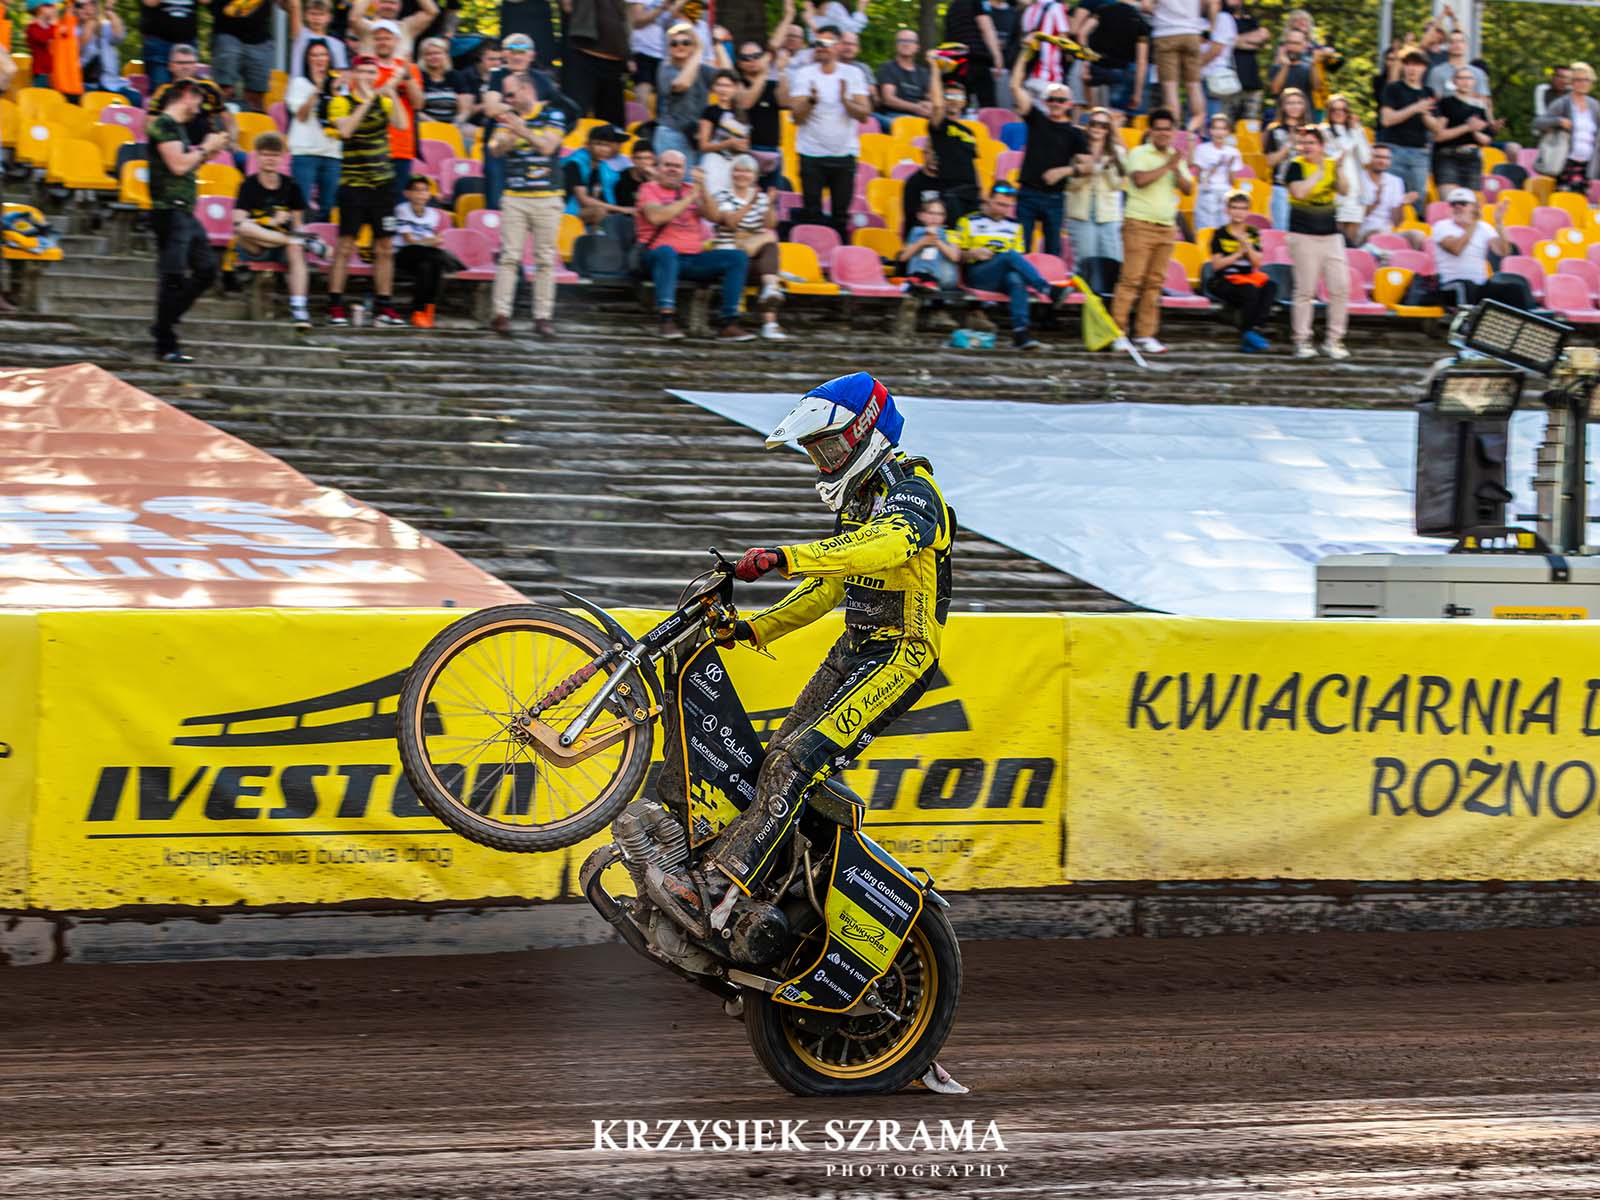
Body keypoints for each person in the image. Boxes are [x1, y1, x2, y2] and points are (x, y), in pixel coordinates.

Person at [638, 372, 954, 943]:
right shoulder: (858, 504)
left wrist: (786, 555)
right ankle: (770, 888)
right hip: (853, 649)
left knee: (794, 762)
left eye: (828, 448)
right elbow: (829, 588)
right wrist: (752, 628)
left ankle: (719, 890)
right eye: (815, 452)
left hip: (901, 654)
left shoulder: (913, 490)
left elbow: (885, 545)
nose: (822, 463)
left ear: (865, 433)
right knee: (771, 764)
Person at [325, 54, 410, 327]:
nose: (366, 77)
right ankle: (335, 305)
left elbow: (402, 124)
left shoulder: (383, 101)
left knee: (385, 247)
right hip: (353, 185)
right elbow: (346, 131)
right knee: (345, 245)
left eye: (371, 72)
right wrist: (368, 100)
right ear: (353, 75)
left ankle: (385, 306)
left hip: (383, 185)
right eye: (361, 72)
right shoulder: (341, 102)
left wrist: (392, 92)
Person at [635, 149, 754, 341]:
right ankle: (666, 319)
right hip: (657, 257)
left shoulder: (691, 188)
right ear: (658, 168)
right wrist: (690, 198)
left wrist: (702, 187)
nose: (672, 170)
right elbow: (656, 217)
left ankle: (730, 323)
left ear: (684, 170)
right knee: (667, 252)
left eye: (677, 166)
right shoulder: (649, 188)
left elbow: (715, 217)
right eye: (668, 165)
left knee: (737, 257)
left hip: (692, 258)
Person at [147, 79, 228, 362]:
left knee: (207, 269)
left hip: (183, 211)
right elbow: (178, 165)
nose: (201, 106)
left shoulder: (177, 128)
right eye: (199, 99)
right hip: (168, 211)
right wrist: (205, 148)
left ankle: (163, 323)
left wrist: (206, 153)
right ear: (185, 95)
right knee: (173, 276)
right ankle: (165, 340)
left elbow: (185, 164)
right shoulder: (164, 124)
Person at [488, 70, 568, 339]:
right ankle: (501, 314)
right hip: (515, 196)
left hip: (547, 196)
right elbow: (495, 148)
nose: (507, 99)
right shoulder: (507, 118)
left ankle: (543, 316)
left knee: (545, 259)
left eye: (511, 94)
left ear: (527, 90)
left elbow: (547, 147)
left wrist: (521, 130)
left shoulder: (554, 115)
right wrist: (507, 137)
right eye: (505, 95)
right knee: (509, 256)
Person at [1111, 107, 1191, 356]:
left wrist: (1175, 168)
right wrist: (1168, 166)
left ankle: (1145, 334)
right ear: (1151, 131)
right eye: (1159, 129)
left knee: (1154, 283)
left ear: (1173, 131)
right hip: (1139, 223)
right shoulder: (1140, 153)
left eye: (1168, 129)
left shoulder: (1176, 157)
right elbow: (1139, 180)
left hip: (1166, 227)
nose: (1163, 133)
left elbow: (1188, 189)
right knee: (1131, 280)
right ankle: (1117, 333)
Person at [782, 28, 871, 241]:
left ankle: (839, 254)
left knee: (841, 216)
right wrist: (811, 101)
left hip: (844, 154)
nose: (821, 47)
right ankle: (813, 254)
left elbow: (864, 115)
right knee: (812, 213)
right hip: (810, 153)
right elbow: (796, 117)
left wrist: (845, 100)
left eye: (827, 42)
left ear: (839, 46)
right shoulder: (805, 74)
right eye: (817, 42)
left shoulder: (853, 74)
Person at [1010, 37, 1088, 258]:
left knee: (1053, 253)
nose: (1056, 103)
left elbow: (1089, 165)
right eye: (1052, 99)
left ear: (1069, 105)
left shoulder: (1075, 133)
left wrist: (1065, 171)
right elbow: (1014, 86)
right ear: (1045, 102)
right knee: (1021, 251)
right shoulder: (1037, 118)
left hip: (1054, 197)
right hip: (1027, 193)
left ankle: (1049, 281)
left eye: (1061, 100)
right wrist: (1025, 52)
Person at [232, 132, 318, 330]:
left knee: (295, 248)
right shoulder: (248, 185)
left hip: (281, 247)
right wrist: (271, 221)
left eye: (274, 155)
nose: (270, 159)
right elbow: (239, 221)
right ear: (257, 156)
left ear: (282, 157)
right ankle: (292, 240)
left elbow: (298, 224)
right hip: (256, 245)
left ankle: (299, 308)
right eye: (265, 154)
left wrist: (288, 226)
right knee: (243, 228)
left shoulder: (291, 185)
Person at [954, 182, 1054, 350]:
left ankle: (1021, 334)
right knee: (1010, 256)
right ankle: (1046, 289)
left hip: (1003, 272)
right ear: (988, 200)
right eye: (1000, 204)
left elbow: (1020, 260)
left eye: (1007, 206)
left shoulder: (1015, 226)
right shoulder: (968, 221)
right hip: (978, 273)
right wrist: (971, 253)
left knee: (1015, 279)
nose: (1003, 209)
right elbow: (955, 255)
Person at [1284, 125, 1349, 361]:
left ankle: (1334, 340)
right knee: (1305, 290)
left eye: (1312, 142)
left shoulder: (1331, 165)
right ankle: (1302, 340)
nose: (1307, 147)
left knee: (1340, 288)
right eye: (1304, 143)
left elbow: (1345, 190)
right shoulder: (1296, 166)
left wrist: (1338, 169)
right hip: (1303, 236)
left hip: (1331, 236)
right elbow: (1299, 193)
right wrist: (1319, 172)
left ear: (1322, 146)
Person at [714, 155, 786, 340]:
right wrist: (751, 205)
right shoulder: (723, 195)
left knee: (769, 251)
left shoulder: (761, 197)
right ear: (731, 173)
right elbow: (731, 223)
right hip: (729, 255)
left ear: (754, 176)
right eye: (737, 170)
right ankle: (769, 317)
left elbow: (770, 223)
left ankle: (770, 315)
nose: (742, 175)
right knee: (768, 240)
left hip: (751, 256)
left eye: (747, 171)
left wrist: (769, 204)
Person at [1377, 47, 1442, 224]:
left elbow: (1436, 127)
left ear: (1424, 68)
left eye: (1417, 65)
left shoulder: (1428, 93)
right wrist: (1415, 108)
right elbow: (1387, 120)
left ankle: (1413, 229)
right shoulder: (1393, 89)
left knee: (1418, 198)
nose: (1412, 69)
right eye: (1409, 64)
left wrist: (1425, 114)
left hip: (1419, 153)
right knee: (1390, 196)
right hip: (1393, 149)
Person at [1205, 189, 1275, 352]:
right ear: (1228, 210)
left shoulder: (1253, 232)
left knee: (1270, 286)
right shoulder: (1220, 233)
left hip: (1247, 276)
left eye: (1243, 208)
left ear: (1248, 211)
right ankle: (1248, 333)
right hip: (1223, 280)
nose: (1239, 212)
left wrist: (1247, 247)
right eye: (1235, 207)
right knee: (1250, 290)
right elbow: (1216, 265)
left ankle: (1254, 329)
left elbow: (1257, 262)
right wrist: (1238, 254)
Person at [286, 41, 342, 221]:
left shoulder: (338, 85)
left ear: (329, 58)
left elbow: (341, 116)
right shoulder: (299, 83)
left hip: (332, 152)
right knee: (300, 205)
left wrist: (333, 91)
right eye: (314, 55)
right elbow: (301, 116)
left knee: (328, 207)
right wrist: (317, 90)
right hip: (305, 151)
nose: (319, 59)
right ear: (307, 59)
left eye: (323, 55)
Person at [1065, 106, 1125, 265]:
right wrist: (1087, 171)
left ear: (1108, 129)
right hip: (1080, 214)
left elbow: (1117, 185)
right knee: (1086, 264)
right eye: (1094, 124)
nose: (1098, 128)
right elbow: (1069, 185)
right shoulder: (1075, 148)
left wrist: (1107, 167)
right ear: (1088, 125)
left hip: (1109, 216)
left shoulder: (1117, 151)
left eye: (1103, 125)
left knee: (1113, 264)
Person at [1432, 187, 1511, 307]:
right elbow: (1456, 249)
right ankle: (1466, 319)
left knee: (1512, 288)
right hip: (1450, 284)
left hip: (1479, 284)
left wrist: (1499, 222)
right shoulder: (1441, 226)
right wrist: (1473, 223)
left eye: (1463, 203)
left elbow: (1503, 251)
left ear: (1473, 207)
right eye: (1453, 204)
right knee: (1466, 286)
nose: (1457, 207)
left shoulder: (1484, 227)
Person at [370, 20, 424, 190]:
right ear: (372, 42)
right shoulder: (365, 68)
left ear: (396, 41)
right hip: (372, 146)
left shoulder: (410, 69)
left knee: (398, 199)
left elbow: (418, 104)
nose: (383, 42)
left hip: (402, 146)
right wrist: (394, 81)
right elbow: (368, 101)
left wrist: (407, 77)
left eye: (387, 38)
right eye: (378, 38)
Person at [210, 0, 290, 112]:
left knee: (256, 96)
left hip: (260, 38)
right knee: (224, 88)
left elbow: (285, 5)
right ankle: (218, 119)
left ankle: (252, 121)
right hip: (227, 33)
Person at [1533, 63, 1600, 195]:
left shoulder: (1594, 105)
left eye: (1587, 80)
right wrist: (1558, 121)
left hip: (1588, 164)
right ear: (1572, 82)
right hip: (1566, 162)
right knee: (1565, 199)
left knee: (1582, 201)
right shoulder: (1562, 103)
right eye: (1579, 80)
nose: (1583, 83)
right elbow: (1538, 123)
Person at [655, 23, 719, 161]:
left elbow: (728, 77)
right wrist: (699, 51)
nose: (680, 46)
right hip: (671, 134)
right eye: (674, 43)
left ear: (692, 46)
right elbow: (682, 84)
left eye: (686, 42)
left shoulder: (702, 70)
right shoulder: (665, 68)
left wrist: (718, 44)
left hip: (696, 136)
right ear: (669, 49)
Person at [562, 0, 630, 125]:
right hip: (584, 53)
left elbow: (626, 16)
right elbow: (567, 6)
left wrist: (629, 56)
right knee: (574, 120)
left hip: (615, 57)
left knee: (613, 126)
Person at [393, 174, 449, 326]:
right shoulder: (402, 210)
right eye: (417, 190)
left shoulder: (433, 214)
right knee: (436, 257)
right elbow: (408, 240)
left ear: (429, 194)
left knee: (428, 266)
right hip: (403, 254)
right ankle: (423, 310)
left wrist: (430, 242)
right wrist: (429, 242)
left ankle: (422, 311)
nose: (421, 194)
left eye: (425, 190)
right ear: (407, 193)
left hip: (425, 256)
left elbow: (433, 240)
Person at [1433, 67, 1492, 194]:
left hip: (1472, 157)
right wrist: (1467, 127)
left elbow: (1486, 139)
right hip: (1448, 155)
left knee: (1472, 201)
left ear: (1474, 82)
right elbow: (1438, 136)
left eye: (1469, 78)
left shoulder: (1479, 107)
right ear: (1454, 81)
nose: (1466, 82)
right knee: (1449, 198)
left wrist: (1474, 131)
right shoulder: (1445, 103)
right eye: (1461, 78)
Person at [1149, 0, 1207, 129]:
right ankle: (1196, 129)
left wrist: (1161, 13)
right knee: (1194, 85)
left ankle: (1175, 131)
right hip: (1192, 32)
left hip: (1166, 33)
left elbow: (1146, 6)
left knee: (1170, 87)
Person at [734, 40, 784, 185]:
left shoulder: (772, 84)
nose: (752, 60)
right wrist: (764, 72)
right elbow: (746, 103)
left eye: (756, 56)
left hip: (773, 152)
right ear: (739, 63)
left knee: (773, 197)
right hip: (747, 151)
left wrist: (782, 70)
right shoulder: (737, 83)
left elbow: (786, 102)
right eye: (746, 58)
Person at [1087, 0, 1149, 115]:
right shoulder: (1139, 20)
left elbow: (1082, 32)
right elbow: (1141, 61)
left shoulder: (1103, 10)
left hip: (1097, 69)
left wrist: (1085, 62)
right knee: (1116, 116)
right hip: (1120, 72)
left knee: (1096, 116)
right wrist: (1137, 93)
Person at [1322, 93, 1369, 243]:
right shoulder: (1324, 131)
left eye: (1343, 110)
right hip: (1336, 190)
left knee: (1351, 241)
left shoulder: (1355, 130)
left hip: (1356, 192)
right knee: (1335, 238)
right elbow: (1337, 156)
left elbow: (1366, 158)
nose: (1339, 113)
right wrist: (1354, 135)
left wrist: (1357, 132)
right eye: (1335, 110)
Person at [696, 69, 750, 198]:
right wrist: (728, 143)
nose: (723, 89)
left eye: (727, 86)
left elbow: (746, 145)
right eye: (719, 85)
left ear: (735, 88)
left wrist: (739, 146)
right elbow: (703, 145)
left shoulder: (742, 113)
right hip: (714, 162)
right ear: (714, 88)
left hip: (735, 164)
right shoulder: (709, 111)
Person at [942, 0, 1005, 108]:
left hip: (955, 63)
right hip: (976, 59)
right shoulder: (978, 2)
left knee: (958, 105)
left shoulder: (952, 7)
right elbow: (986, 28)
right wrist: (997, 56)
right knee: (988, 105)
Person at [75, 0, 138, 105]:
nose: (86, 8)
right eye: (80, 6)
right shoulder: (73, 29)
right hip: (87, 84)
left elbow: (119, 37)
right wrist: (90, 25)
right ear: (75, 9)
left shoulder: (106, 26)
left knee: (135, 98)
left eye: (91, 4)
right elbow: (78, 48)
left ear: (96, 6)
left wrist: (110, 12)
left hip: (112, 84)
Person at [565, 122, 631, 224]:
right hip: (565, 213)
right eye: (599, 144)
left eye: (608, 145)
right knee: (600, 212)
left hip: (582, 212)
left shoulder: (602, 166)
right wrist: (622, 209)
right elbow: (584, 200)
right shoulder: (575, 163)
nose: (604, 149)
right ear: (587, 145)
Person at [1263, 86, 1307, 230]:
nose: (1295, 107)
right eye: (1290, 103)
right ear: (1283, 106)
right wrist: (1289, 144)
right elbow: (1270, 161)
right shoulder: (1275, 130)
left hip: (1305, 188)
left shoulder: (1311, 130)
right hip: (1281, 188)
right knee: (1282, 230)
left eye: (1298, 103)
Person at [1354, 142, 1414, 248]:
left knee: (1417, 236)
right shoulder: (1357, 178)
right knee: (1377, 234)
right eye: (1378, 157)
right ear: (1368, 158)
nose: (1382, 161)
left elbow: (1397, 223)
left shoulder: (1396, 181)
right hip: (1363, 232)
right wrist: (1375, 202)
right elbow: (1353, 218)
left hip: (1387, 232)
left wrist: (1402, 204)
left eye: (1386, 158)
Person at [1190, 111, 1241, 233]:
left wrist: (1229, 166)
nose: (1219, 132)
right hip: (1207, 194)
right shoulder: (1202, 149)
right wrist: (1216, 166)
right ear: (1210, 131)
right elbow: (1200, 179)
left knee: (1223, 232)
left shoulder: (1233, 152)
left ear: (1228, 132)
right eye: (1216, 128)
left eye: (1223, 129)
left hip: (1226, 196)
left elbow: (1232, 181)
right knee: (1206, 231)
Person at [1425, 30, 1491, 115]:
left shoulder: (1478, 73)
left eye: (1461, 41)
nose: (1457, 45)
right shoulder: (1437, 72)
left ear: (1466, 45)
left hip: (1474, 119)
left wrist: (1490, 121)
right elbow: (1433, 101)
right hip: (1446, 120)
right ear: (1447, 46)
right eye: (1452, 42)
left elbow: (1485, 102)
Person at [349, 0, 439, 59]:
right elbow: (354, 18)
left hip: (401, 80)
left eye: (392, 3)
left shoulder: (407, 27)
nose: (388, 6)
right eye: (384, 2)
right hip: (369, 79)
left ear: (399, 6)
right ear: (377, 4)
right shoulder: (367, 28)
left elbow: (432, 12)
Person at [139, 0, 199, 87]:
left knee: (188, 87)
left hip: (188, 41)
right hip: (158, 43)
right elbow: (150, 2)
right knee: (160, 86)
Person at [877, 29, 931, 121]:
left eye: (910, 41)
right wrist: (916, 107)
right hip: (893, 116)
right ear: (896, 46)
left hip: (920, 117)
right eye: (901, 40)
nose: (905, 44)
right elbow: (888, 99)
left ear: (917, 47)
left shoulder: (923, 72)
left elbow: (931, 98)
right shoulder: (888, 68)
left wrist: (929, 105)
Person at [290, 0, 349, 76]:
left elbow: (340, 74)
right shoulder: (300, 34)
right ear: (305, 15)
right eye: (313, 14)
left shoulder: (338, 45)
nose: (317, 18)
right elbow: (294, 5)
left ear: (329, 17)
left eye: (321, 14)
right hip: (299, 82)